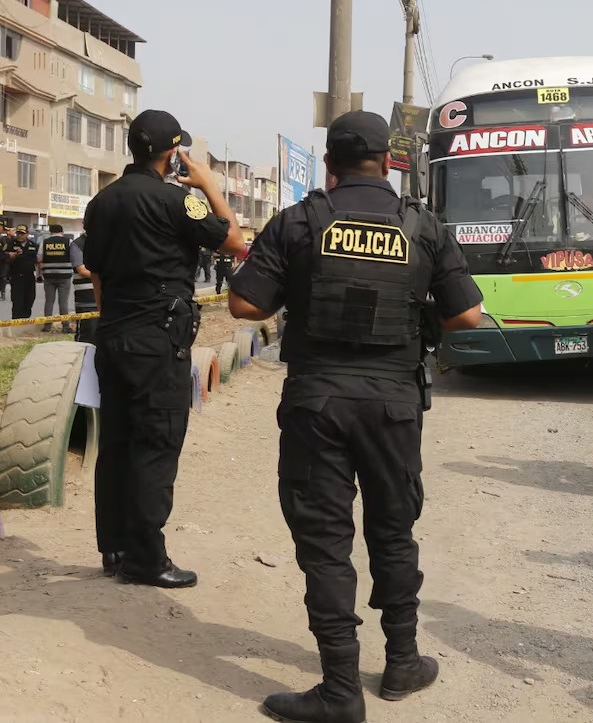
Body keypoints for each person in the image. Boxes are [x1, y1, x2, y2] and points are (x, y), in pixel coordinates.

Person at [228, 110, 483, 723]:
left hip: (317, 401)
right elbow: (466, 317)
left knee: (325, 543)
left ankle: (340, 690)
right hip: (393, 404)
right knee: (393, 532)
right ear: (389, 160)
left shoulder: (300, 221)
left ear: (329, 162)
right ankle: (402, 662)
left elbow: (243, 303)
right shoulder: (422, 226)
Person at [83, 109, 243, 587]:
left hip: (113, 335)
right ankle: (147, 560)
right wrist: (210, 184)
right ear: (173, 153)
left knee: (116, 442)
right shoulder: (178, 202)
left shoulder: (102, 201)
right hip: (157, 341)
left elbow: (97, 276)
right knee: (155, 443)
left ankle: (115, 549)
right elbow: (234, 241)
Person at [37, 224, 75, 333]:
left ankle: (47, 326)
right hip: (65, 276)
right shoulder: (69, 242)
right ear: (62, 232)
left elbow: (39, 258)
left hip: (49, 276)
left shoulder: (45, 242)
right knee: (63, 302)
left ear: (50, 231)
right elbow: (73, 257)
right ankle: (65, 326)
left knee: (49, 301)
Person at [70, 233, 98, 344]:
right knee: (87, 335)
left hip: (107, 296)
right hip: (86, 298)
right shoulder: (78, 244)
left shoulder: (107, 240)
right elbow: (82, 270)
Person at [7, 226, 39, 319]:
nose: (20, 236)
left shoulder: (33, 245)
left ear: (27, 234)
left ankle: (26, 319)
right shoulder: (11, 244)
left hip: (29, 276)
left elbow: (38, 260)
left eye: (22, 234)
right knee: (17, 300)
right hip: (16, 276)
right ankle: (16, 320)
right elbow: (5, 258)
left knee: (29, 298)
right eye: (18, 234)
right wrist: (13, 256)